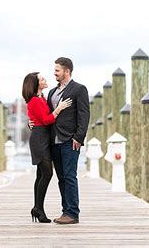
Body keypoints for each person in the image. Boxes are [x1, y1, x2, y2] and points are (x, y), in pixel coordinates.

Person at [22, 72, 72, 223]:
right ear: (36, 84)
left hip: (42, 137)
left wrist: (32, 123)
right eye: (42, 79)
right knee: (47, 173)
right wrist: (60, 108)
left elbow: (36, 118)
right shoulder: (35, 100)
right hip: (39, 140)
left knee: (41, 175)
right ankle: (38, 209)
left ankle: (37, 208)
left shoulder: (41, 98)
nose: (45, 80)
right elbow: (46, 119)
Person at [47, 57, 90, 224]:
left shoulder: (79, 89)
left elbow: (84, 115)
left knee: (70, 176)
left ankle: (72, 213)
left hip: (70, 140)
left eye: (57, 70)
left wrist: (79, 137)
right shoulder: (52, 92)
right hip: (54, 141)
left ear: (67, 71)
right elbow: (49, 115)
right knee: (61, 178)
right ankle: (65, 210)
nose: (54, 73)